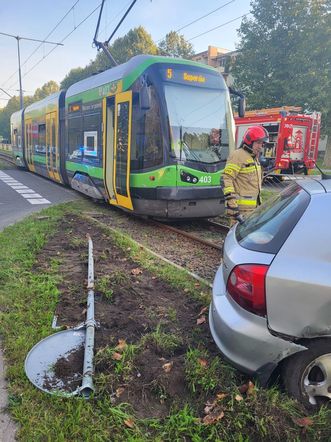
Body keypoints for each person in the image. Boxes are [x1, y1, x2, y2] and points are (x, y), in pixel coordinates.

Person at [222, 126, 269, 226]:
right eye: (258, 142)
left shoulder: (254, 158)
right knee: (238, 240)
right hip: (240, 212)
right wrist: (232, 205)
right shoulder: (238, 155)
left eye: (262, 143)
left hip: (253, 211)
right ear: (249, 141)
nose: (260, 146)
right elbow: (226, 178)